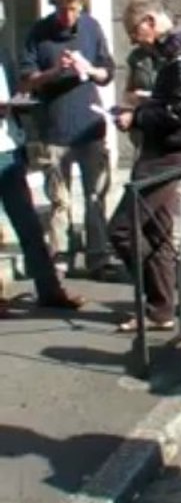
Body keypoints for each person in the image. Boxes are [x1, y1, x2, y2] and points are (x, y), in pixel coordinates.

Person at [108, 0, 181, 331]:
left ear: (150, 21)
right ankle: (161, 310)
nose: (135, 42)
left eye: (135, 33)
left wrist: (136, 114)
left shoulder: (178, 55)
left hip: (168, 152)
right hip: (169, 149)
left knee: (122, 229)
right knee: (158, 231)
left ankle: (157, 302)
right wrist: (148, 102)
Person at [20, 0, 116, 278]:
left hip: (90, 127)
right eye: (63, 10)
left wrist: (90, 69)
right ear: (54, 6)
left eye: (75, 9)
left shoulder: (91, 26)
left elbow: (108, 71)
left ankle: (98, 259)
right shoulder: (38, 32)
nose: (69, 16)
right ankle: (60, 257)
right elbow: (27, 80)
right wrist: (53, 72)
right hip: (54, 130)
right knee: (60, 201)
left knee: (95, 197)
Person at [0, 48, 84, 315]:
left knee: (29, 224)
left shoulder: (4, 56)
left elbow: (19, 88)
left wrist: (18, 99)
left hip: (9, 148)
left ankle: (49, 290)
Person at [121, 0, 162, 155]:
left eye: (133, 31)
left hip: (169, 135)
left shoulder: (173, 53)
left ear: (149, 22)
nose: (132, 40)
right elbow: (129, 93)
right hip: (143, 136)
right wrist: (126, 112)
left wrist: (150, 97)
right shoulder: (136, 58)